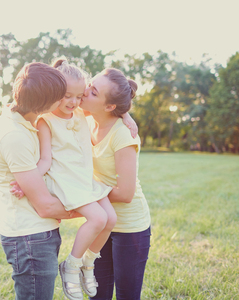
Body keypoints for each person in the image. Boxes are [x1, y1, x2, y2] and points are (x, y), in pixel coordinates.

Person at [10, 59, 137, 300]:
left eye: (79, 96)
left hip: (84, 180)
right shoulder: (47, 121)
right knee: (98, 217)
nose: (74, 102)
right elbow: (45, 160)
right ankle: (71, 266)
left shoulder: (79, 111)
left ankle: (88, 264)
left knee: (110, 218)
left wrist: (126, 116)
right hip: (66, 182)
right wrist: (26, 182)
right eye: (67, 96)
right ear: (55, 93)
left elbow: (112, 103)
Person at [0, 62, 73, 300]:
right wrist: (93, 212)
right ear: (44, 104)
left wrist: (125, 114)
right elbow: (44, 206)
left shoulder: (28, 119)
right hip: (29, 237)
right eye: (61, 97)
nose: (66, 102)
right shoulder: (14, 135)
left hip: (39, 233)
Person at [80, 68, 151, 300]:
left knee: (126, 296)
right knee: (97, 294)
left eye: (93, 92)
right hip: (101, 221)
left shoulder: (123, 135)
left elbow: (126, 193)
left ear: (110, 106)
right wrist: (125, 113)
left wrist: (84, 192)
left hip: (129, 228)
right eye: (89, 85)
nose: (85, 92)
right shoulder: (85, 121)